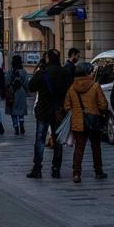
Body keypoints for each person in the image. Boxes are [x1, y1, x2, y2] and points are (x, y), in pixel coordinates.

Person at [27, 49, 71, 179]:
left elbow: (31, 86)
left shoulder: (43, 73)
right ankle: (56, 169)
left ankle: (37, 168)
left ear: (48, 59)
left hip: (44, 110)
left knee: (40, 139)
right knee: (58, 140)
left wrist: (38, 70)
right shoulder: (65, 73)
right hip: (59, 110)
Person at [64, 62, 108, 183]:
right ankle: (98, 171)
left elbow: (67, 106)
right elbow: (103, 104)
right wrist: (98, 111)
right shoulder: (95, 86)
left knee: (79, 148)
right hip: (93, 121)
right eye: (92, 71)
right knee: (96, 147)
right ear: (87, 72)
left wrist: (77, 111)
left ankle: (76, 173)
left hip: (78, 123)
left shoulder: (72, 88)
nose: (93, 73)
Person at [5, 55, 29, 135]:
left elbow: (7, 82)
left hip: (12, 92)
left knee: (13, 111)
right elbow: (26, 83)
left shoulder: (10, 71)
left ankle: (16, 128)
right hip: (21, 92)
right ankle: (21, 124)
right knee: (21, 110)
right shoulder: (23, 71)